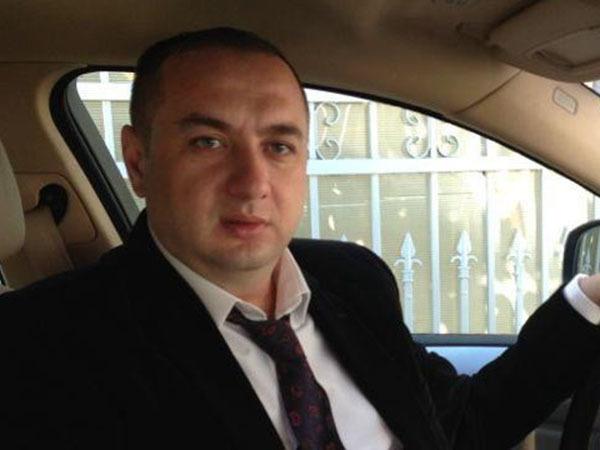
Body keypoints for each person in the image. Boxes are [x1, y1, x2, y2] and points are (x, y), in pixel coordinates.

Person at [2, 27, 600, 450]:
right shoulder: (41, 345)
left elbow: (459, 427)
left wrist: (592, 297)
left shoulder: (353, 281)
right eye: (208, 142)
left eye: (279, 146)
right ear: (138, 161)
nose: (252, 183)